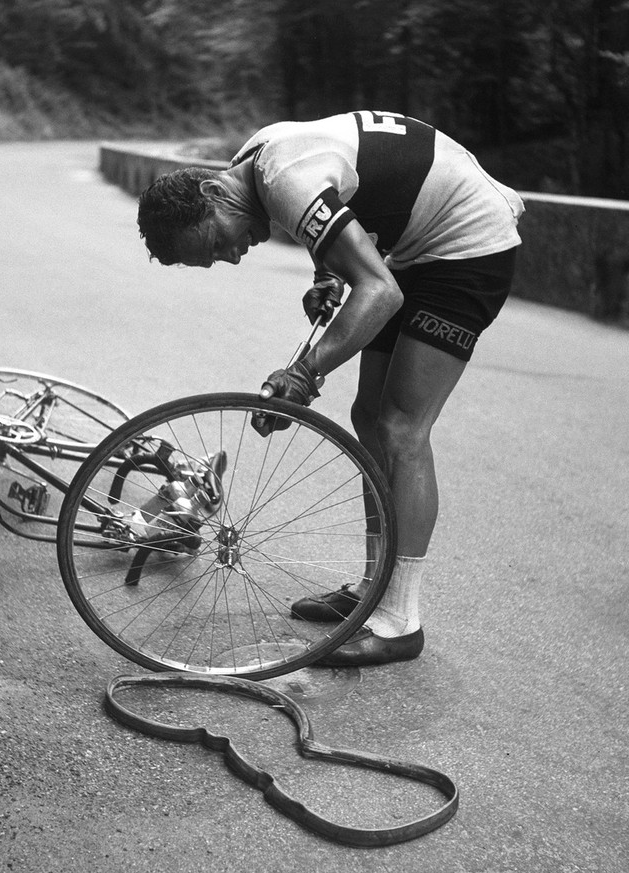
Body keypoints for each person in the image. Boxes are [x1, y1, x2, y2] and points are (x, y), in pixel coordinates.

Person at [137, 110, 524, 667]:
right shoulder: (255, 163)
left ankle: (399, 622)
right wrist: (328, 272)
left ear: (211, 195)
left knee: (401, 428)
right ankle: (376, 589)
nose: (235, 255)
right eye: (219, 259)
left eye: (219, 243)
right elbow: (347, 202)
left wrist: (304, 374)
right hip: (414, 248)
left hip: (468, 245)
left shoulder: (284, 179)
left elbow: (381, 293)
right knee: (370, 421)